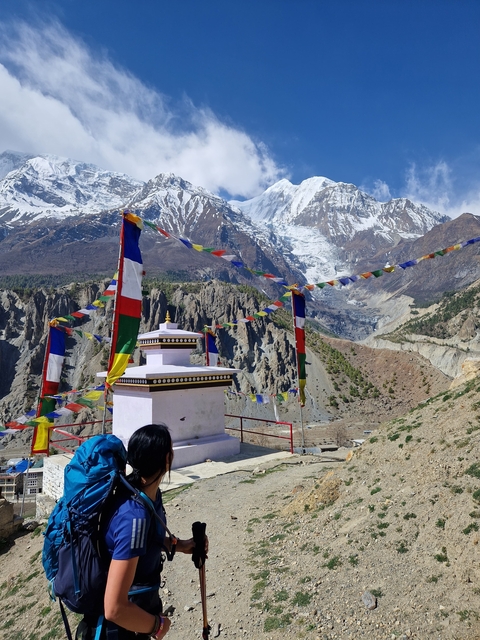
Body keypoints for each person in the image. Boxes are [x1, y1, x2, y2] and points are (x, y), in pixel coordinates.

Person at [76, 423, 205, 640]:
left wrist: (181, 545)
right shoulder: (134, 517)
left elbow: (144, 541)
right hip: (119, 629)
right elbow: (115, 608)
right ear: (166, 459)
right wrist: (157, 626)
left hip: (137, 613)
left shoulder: (145, 496)